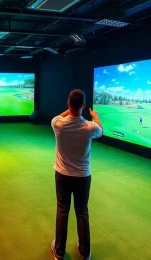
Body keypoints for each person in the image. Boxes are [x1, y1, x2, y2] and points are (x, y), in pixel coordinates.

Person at [50, 89, 103, 260]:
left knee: (62, 210)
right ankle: (85, 252)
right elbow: (101, 130)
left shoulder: (57, 123)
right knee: (81, 212)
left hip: (62, 175)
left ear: (67, 104)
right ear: (84, 105)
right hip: (82, 177)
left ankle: (59, 252)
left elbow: (60, 116)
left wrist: (71, 108)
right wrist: (95, 116)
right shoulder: (90, 127)